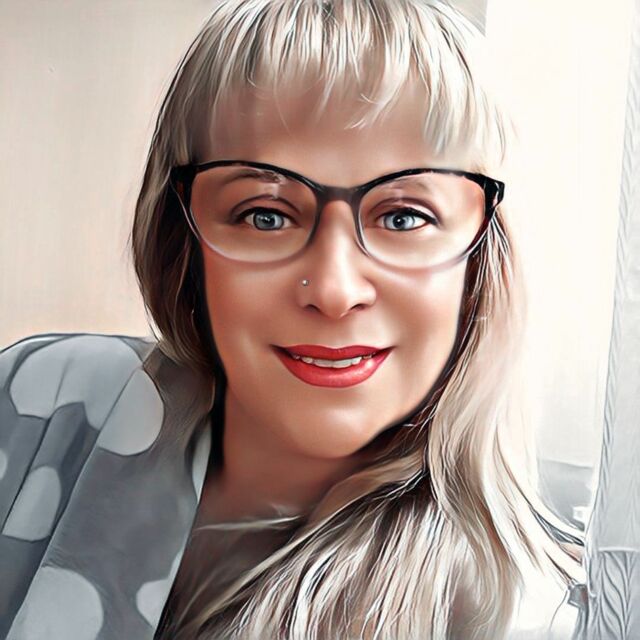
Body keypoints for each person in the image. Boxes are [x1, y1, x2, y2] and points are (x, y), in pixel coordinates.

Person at [0, 0, 587, 638]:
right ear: (180, 239)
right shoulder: (40, 400)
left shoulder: (523, 616)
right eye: (266, 215)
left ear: (482, 257)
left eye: (404, 217)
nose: (334, 291)